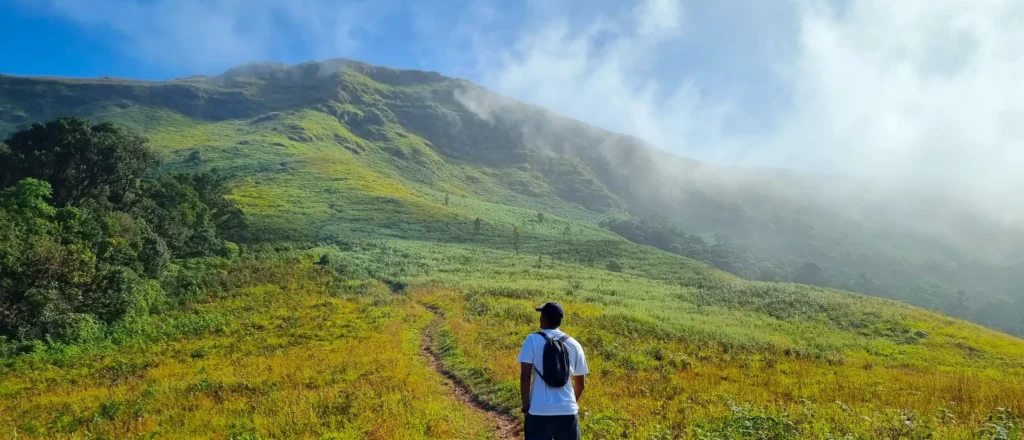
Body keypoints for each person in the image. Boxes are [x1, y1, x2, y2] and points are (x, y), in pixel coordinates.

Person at [518, 302, 589, 440]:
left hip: (539, 411)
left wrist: (526, 408)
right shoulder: (574, 344)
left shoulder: (532, 340)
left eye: (541, 315)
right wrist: (567, 404)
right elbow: (581, 384)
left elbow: (525, 377)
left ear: (544, 318)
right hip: (568, 412)